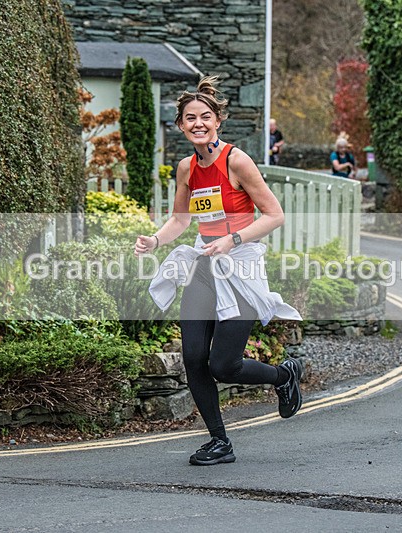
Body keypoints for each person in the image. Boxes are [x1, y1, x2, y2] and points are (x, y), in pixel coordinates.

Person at [134, 76, 303, 466]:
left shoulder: (236, 161)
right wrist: (155, 241)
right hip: (203, 266)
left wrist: (234, 240)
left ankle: (283, 376)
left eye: (205, 117)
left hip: (239, 267)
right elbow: (179, 221)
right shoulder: (186, 168)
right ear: (180, 125)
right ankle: (219, 441)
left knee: (223, 365)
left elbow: (275, 215)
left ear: (217, 122)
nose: (198, 123)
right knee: (193, 358)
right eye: (190, 118)